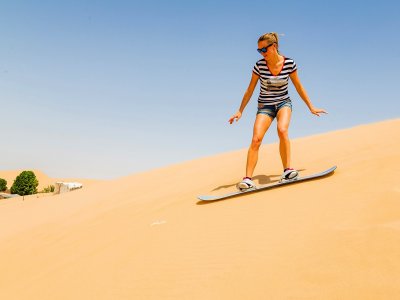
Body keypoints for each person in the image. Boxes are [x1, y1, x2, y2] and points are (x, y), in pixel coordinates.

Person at [228, 32, 327, 191]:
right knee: (256, 139)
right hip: (265, 106)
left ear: (274, 47)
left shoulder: (289, 63)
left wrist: (311, 107)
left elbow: (298, 87)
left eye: (264, 50)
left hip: (283, 103)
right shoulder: (259, 66)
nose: (262, 53)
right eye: (259, 51)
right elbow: (250, 90)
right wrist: (240, 111)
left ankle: (288, 170)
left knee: (282, 130)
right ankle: (247, 180)